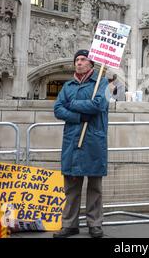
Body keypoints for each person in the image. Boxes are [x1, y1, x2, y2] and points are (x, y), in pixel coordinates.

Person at [53, 49, 109, 238]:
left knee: (94, 185)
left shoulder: (101, 82)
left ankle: (95, 224)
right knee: (71, 185)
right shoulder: (68, 85)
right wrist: (78, 116)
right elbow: (58, 109)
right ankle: (69, 224)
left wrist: (73, 104)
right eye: (77, 59)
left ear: (91, 64)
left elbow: (98, 105)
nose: (79, 62)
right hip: (73, 139)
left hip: (93, 139)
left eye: (83, 59)